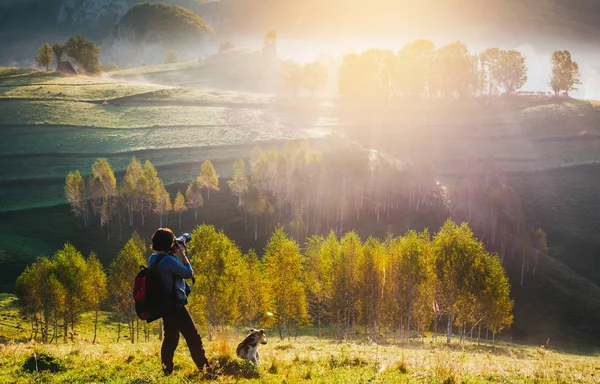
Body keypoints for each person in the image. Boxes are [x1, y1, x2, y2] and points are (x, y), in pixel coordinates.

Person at [148, 228, 212, 376]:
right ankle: (206, 371)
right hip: (175, 306)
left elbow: (167, 270)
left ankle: (167, 371)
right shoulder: (169, 260)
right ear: (169, 243)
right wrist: (182, 252)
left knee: (170, 338)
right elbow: (188, 273)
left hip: (164, 306)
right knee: (193, 338)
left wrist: (173, 252)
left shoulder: (153, 259)